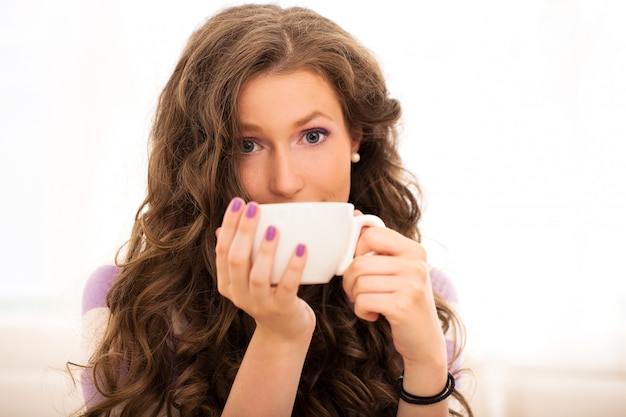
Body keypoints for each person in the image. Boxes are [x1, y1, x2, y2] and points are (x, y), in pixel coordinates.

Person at [73, 3, 473, 417]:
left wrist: (426, 364)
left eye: (313, 136)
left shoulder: (419, 294)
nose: (284, 181)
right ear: (202, 160)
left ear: (355, 138)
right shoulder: (128, 303)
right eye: (248, 144)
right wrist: (281, 337)